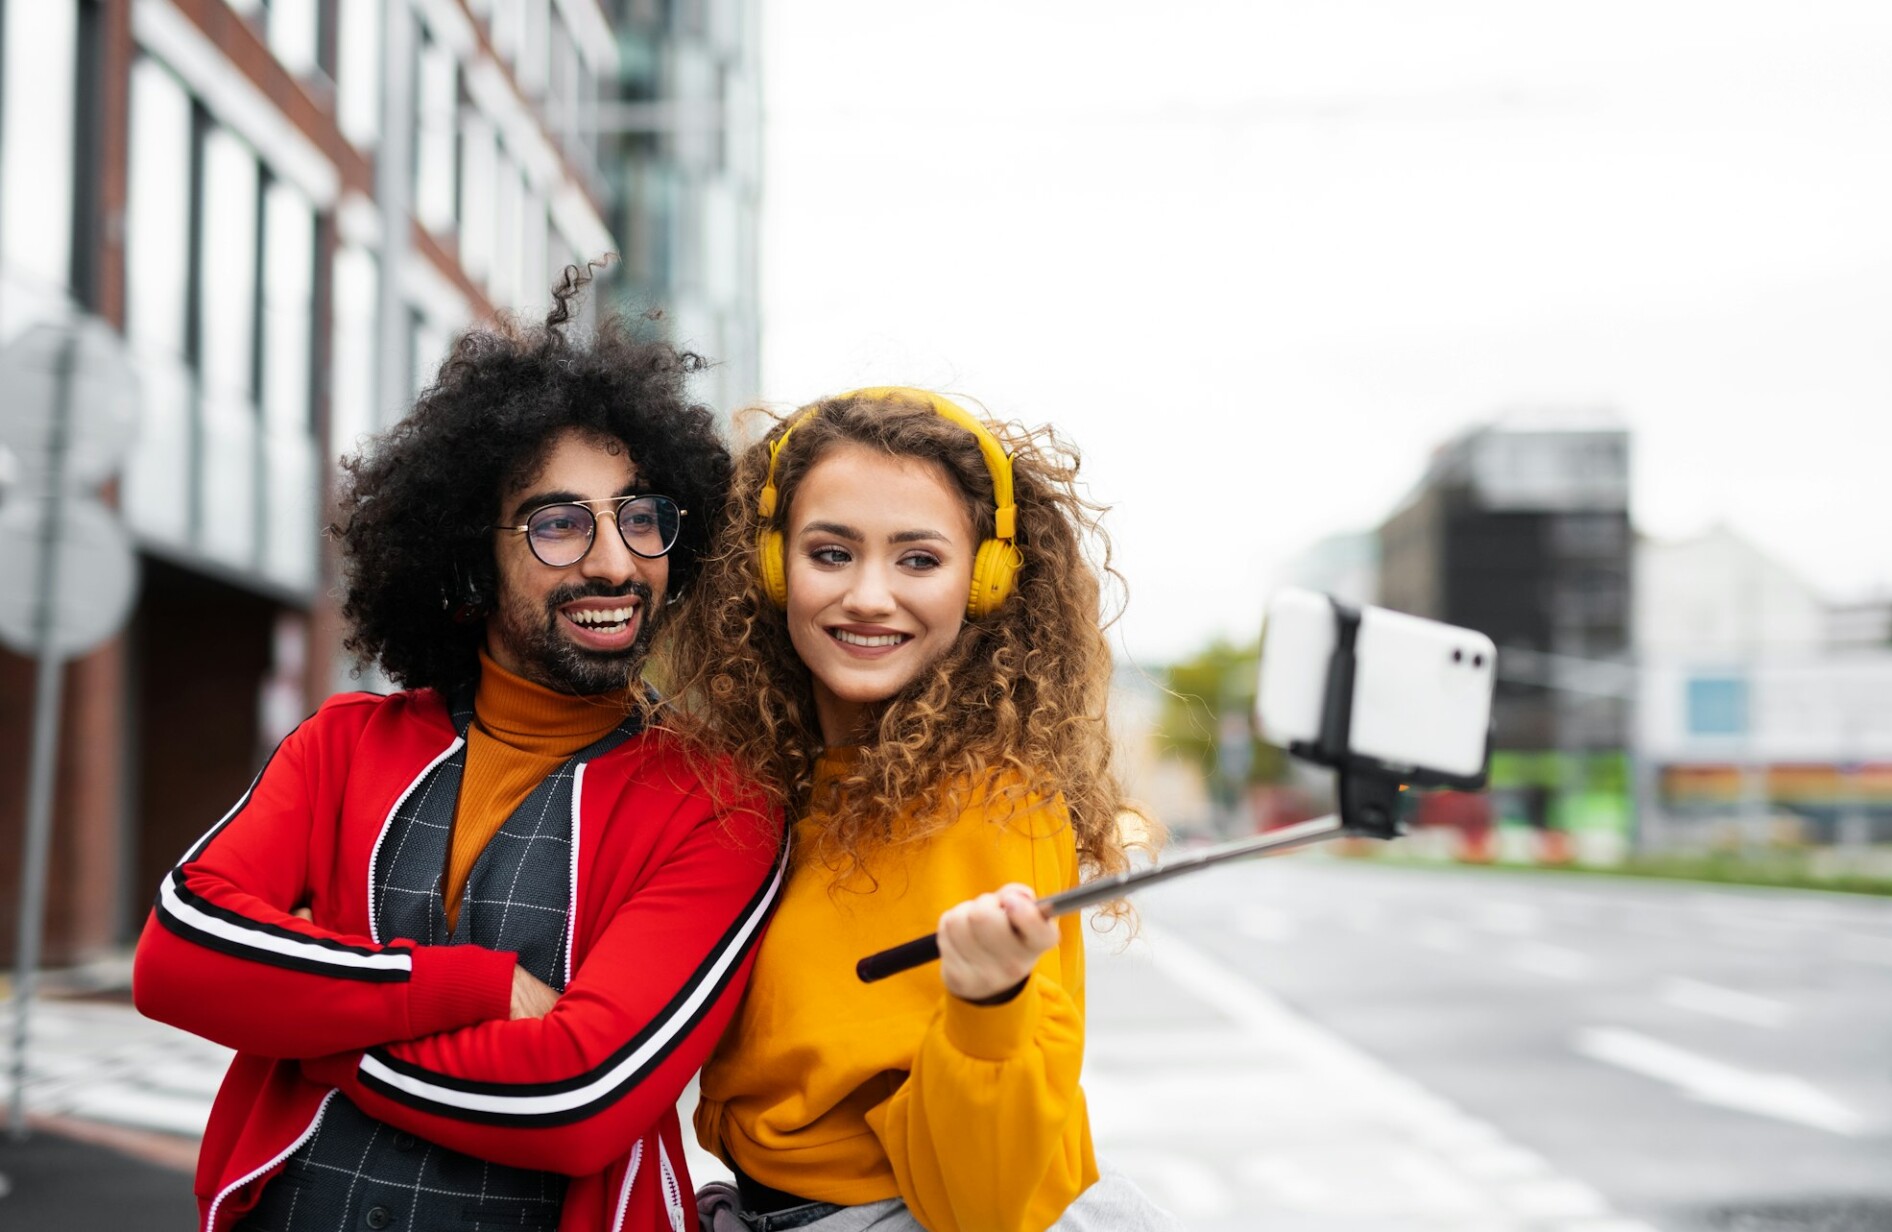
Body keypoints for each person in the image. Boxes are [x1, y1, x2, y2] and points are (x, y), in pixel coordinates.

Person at [132, 275, 786, 1232]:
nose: (614, 560)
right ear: (472, 561)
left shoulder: (718, 802)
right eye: (559, 523)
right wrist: (463, 989)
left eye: (640, 516)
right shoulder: (343, 746)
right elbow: (180, 955)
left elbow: (577, 1100)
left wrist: (308, 1029)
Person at [667, 388, 1178, 1232]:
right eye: (831, 553)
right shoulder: (774, 782)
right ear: (768, 566)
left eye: (918, 560)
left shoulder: (989, 805)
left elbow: (986, 1204)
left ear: (985, 581)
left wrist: (988, 1007)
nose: (869, 596)